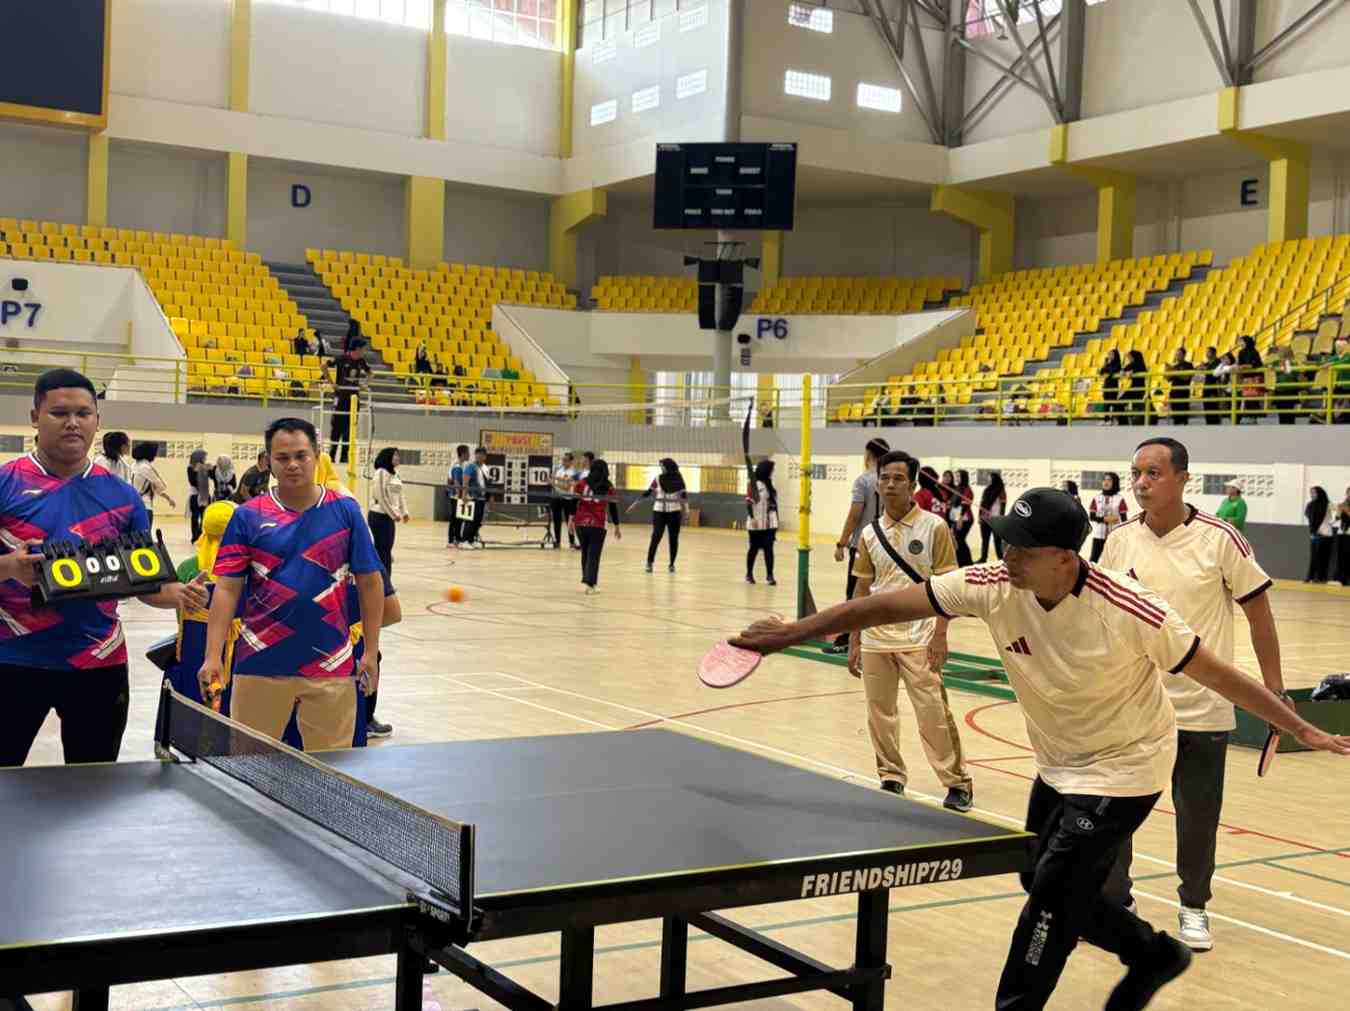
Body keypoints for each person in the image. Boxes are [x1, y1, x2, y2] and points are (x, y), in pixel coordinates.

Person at [730, 487, 1350, 1011]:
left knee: (1050, 898)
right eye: (1006, 542)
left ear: (1062, 557)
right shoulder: (993, 583)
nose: (1007, 555)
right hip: (1059, 762)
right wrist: (797, 630)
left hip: (1127, 768)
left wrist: (1300, 727)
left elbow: (1219, 675)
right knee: (1040, 877)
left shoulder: (1132, 609)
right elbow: (887, 603)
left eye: (1022, 548)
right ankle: (1151, 953)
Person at [1101, 438, 1287, 952]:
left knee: (1198, 820)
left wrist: (1274, 690)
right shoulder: (1119, 541)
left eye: (1153, 473)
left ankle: (1194, 906)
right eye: (1136, 473)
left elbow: (1259, 614)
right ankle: (1115, 902)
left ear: (1184, 478)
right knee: (1115, 815)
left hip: (1203, 710)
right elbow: (1104, 617)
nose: (1141, 483)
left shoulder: (1221, 539)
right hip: (1133, 708)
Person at [0, 369, 205, 768]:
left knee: (93, 787)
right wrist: (9, 566)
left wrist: (179, 594)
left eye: (83, 413)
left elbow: (145, 584)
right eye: (59, 413)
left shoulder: (123, 497)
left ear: (97, 420)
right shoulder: (5, 483)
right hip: (12, 660)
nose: (73, 422)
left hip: (99, 662)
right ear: (34, 417)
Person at [198, 417, 384, 751]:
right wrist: (213, 655)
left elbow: (371, 583)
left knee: (329, 772)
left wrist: (370, 651)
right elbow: (227, 589)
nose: (293, 465)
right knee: (251, 768)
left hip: (332, 665)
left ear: (317, 456)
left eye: (301, 455)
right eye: (282, 458)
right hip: (259, 664)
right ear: (268, 461)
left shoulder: (346, 512)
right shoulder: (247, 515)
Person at [848, 450, 973, 812]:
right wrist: (855, 640)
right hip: (876, 639)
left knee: (933, 713)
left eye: (898, 478)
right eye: (884, 478)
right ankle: (891, 775)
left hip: (920, 637)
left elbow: (949, 586)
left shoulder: (934, 527)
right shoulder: (869, 534)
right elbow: (861, 590)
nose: (890, 484)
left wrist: (941, 634)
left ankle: (957, 782)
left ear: (913, 485)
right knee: (879, 713)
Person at [829, 438, 890, 653]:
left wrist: (841, 543)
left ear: (868, 455)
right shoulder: (890, 480)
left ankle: (847, 639)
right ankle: (874, 639)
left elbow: (855, 514)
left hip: (863, 545)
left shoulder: (863, 480)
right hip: (886, 546)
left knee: (855, 593)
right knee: (880, 594)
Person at [572, 458, 620, 594]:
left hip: (580, 523)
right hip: (598, 524)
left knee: (585, 553)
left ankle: (588, 581)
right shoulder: (608, 486)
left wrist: (570, 519)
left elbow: (573, 503)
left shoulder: (581, 483)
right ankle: (590, 585)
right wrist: (617, 526)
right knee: (594, 555)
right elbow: (613, 507)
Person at [326, 337, 371, 464]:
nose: (364, 352)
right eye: (363, 349)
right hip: (341, 397)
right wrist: (332, 383)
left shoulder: (361, 361)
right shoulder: (342, 358)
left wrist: (364, 384)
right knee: (336, 426)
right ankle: (332, 455)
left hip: (354, 398)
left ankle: (344, 456)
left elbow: (371, 373)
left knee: (350, 427)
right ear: (357, 348)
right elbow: (323, 366)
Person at [640, 458, 688, 574]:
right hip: (659, 512)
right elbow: (649, 491)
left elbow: (684, 496)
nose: (661, 468)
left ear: (669, 467)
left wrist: (687, 511)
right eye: (660, 466)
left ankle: (672, 564)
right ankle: (649, 562)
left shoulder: (679, 480)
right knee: (656, 536)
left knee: (673, 539)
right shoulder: (657, 478)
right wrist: (638, 500)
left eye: (663, 466)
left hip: (674, 512)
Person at [368, 447, 409, 575]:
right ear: (388, 457)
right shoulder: (380, 472)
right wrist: (393, 514)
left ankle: (386, 580)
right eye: (395, 455)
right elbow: (381, 496)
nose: (398, 457)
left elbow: (400, 494)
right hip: (378, 516)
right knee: (381, 550)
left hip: (389, 517)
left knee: (387, 550)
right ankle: (382, 581)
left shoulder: (396, 474)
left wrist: (405, 512)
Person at [746, 458, 779, 585]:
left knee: (769, 549)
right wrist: (752, 518)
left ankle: (770, 576)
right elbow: (749, 503)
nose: (773, 472)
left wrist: (776, 521)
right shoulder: (755, 485)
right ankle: (749, 574)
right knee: (753, 549)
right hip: (756, 523)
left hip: (769, 524)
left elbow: (773, 504)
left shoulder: (769, 484)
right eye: (771, 470)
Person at [130, 440, 175, 531]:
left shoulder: (134, 465)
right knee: (145, 536)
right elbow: (162, 486)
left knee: (135, 536)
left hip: (133, 505)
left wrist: (168, 498)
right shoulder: (147, 467)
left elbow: (150, 487)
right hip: (145, 507)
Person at [1088, 472, 1129, 562]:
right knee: (1093, 560)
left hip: (1114, 536)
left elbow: (1124, 520)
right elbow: (1091, 516)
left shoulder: (1119, 499)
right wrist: (1104, 519)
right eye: (1104, 480)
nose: (1106, 482)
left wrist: (1124, 535)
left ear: (1114, 482)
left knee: (1114, 561)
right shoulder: (1096, 498)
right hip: (1099, 535)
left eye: (1109, 480)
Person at [1305, 486, 1335, 583]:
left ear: (1320, 493)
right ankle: (1311, 577)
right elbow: (1309, 518)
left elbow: (1335, 516)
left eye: (1314, 493)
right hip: (1315, 534)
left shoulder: (1328, 504)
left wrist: (1329, 523)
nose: (1312, 495)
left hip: (1326, 534)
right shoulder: (1310, 505)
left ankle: (1322, 578)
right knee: (1314, 557)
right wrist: (1312, 531)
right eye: (1311, 493)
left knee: (1324, 558)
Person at [461, 446, 489, 547]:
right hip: (472, 498)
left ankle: (471, 540)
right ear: (475, 455)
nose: (479, 456)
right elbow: (465, 481)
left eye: (482, 454)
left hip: (482, 498)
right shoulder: (470, 466)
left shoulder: (485, 468)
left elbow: (486, 483)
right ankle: (464, 541)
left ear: (485, 456)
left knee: (478, 521)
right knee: (470, 520)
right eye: (478, 454)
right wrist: (464, 495)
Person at [550, 451, 579, 550]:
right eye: (563, 460)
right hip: (557, 498)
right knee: (556, 521)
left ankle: (572, 542)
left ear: (571, 461)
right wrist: (554, 482)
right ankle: (557, 543)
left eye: (566, 460)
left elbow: (566, 487)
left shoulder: (573, 472)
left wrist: (553, 483)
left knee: (569, 522)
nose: (563, 462)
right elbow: (554, 480)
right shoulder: (558, 469)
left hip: (568, 499)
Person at [978, 471, 1007, 563]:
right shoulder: (987, 490)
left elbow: (1003, 506)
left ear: (995, 479)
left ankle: (1000, 559)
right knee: (985, 540)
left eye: (990, 478)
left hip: (996, 519)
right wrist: (980, 516)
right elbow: (982, 504)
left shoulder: (1001, 490)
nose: (988, 479)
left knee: (997, 541)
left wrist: (1001, 519)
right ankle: (983, 558)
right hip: (985, 519)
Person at [950, 469, 976, 567]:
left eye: (958, 476)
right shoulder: (958, 488)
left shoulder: (967, 489)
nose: (956, 478)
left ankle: (967, 562)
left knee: (960, 540)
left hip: (965, 519)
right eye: (956, 476)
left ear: (963, 477)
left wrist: (960, 519)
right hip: (957, 518)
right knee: (958, 541)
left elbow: (965, 505)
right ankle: (962, 561)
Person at [447, 444, 469, 548]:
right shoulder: (457, 467)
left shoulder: (461, 465)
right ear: (463, 454)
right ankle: (451, 540)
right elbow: (456, 483)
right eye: (468, 453)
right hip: (456, 497)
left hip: (458, 496)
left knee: (459, 518)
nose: (469, 455)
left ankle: (457, 538)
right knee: (455, 519)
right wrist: (460, 496)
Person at [186, 449, 212, 541]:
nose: (205, 458)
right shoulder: (190, 468)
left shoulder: (205, 467)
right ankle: (195, 535)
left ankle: (201, 534)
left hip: (205, 494)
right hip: (195, 495)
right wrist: (199, 470)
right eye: (204, 457)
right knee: (195, 516)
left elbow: (212, 475)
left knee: (204, 516)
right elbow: (192, 481)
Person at [1165, 347, 1193, 425]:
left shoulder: (1188, 365)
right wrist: (1167, 370)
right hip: (1174, 393)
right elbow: (1168, 379)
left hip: (1183, 393)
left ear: (1184, 355)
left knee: (1183, 416)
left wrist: (1174, 370)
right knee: (1176, 416)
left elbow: (1186, 377)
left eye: (1179, 354)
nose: (1177, 356)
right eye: (1176, 354)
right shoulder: (1174, 366)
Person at [1120, 350, 1148, 425]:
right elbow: (1125, 369)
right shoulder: (1132, 364)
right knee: (1121, 401)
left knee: (1138, 407)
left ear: (1135, 357)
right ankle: (1128, 418)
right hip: (1133, 388)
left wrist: (1132, 372)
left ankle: (1136, 421)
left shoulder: (1141, 364)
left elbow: (1141, 369)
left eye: (1130, 357)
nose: (1129, 359)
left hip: (1140, 389)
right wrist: (1123, 371)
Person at [1199, 347, 1223, 425]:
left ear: (1214, 353)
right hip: (1206, 388)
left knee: (1214, 409)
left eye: (1208, 352)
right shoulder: (1206, 364)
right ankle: (1209, 424)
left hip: (1215, 388)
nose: (1206, 354)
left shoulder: (1218, 362)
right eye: (1206, 352)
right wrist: (1201, 368)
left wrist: (1205, 368)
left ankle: (1216, 425)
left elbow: (1215, 374)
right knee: (1207, 409)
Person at [1100, 349, 1122, 423]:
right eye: (1109, 354)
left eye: (1112, 354)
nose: (1110, 356)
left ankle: (1114, 419)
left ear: (1115, 355)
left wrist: (1107, 367)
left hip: (1113, 385)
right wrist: (1106, 364)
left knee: (1113, 402)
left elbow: (1112, 372)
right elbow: (1101, 372)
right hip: (1106, 385)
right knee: (1106, 403)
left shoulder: (1118, 364)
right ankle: (1106, 419)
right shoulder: (1107, 363)